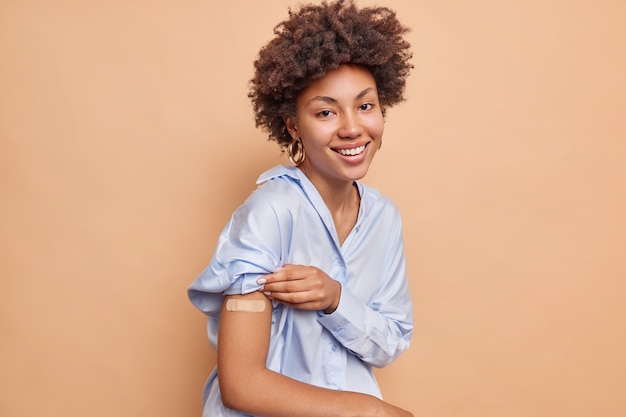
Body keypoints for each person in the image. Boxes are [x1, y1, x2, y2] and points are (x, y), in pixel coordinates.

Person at [188, 0, 414, 415]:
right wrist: (370, 412)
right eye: (326, 112)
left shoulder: (385, 218)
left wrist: (335, 299)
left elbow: (391, 340)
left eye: (365, 105)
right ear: (293, 125)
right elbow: (241, 384)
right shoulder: (270, 214)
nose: (351, 127)